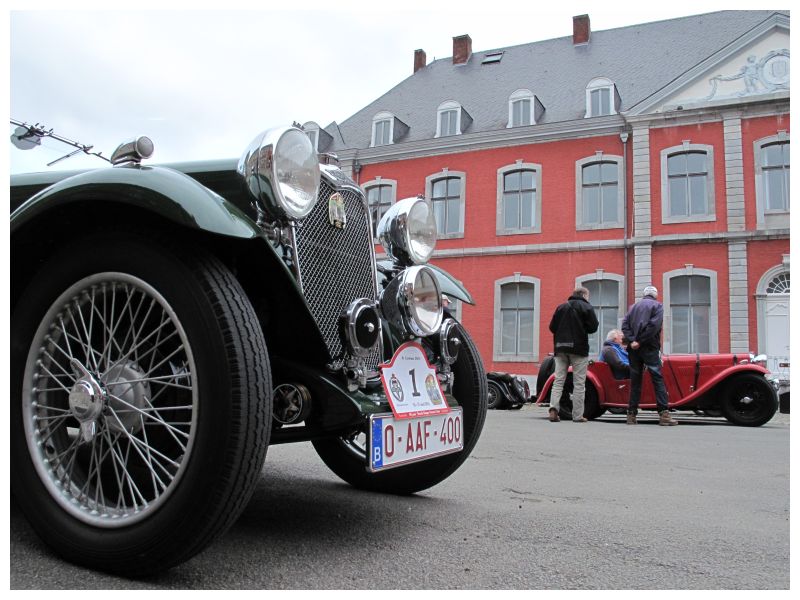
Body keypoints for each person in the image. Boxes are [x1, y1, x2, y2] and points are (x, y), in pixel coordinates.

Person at [621, 285, 678, 426]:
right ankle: (664, 414)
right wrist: (640, 341)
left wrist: (633, 340)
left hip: (633, 349)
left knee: (635, 380)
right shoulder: (657, 306)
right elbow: (654, 326)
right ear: (655, 295)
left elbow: (624, 325)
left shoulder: (633, 307)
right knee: (657, 378)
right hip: (649, 347)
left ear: (644, 294)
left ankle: (631, 415)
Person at [547, 286, 599, 423]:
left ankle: (553, 410)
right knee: (579, 383)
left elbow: (552, 327)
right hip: (579, 349)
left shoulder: (561, 307)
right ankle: (577, 415)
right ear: (584, 295)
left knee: (558, 380)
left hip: (560, 348)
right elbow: (594, 327)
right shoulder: (586, 307)